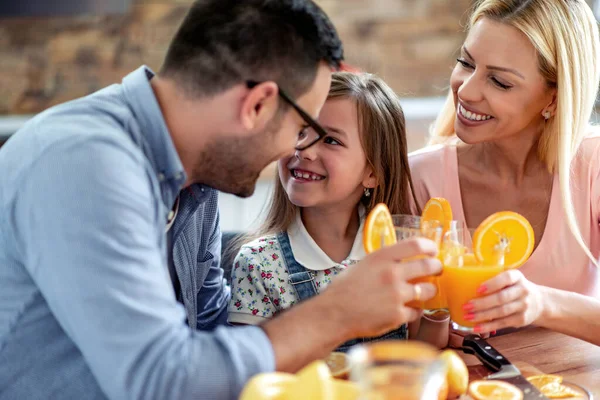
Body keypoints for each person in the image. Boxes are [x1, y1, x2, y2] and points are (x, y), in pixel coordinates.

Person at [0, 1, 442, 399]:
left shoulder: (195, 181)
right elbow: (162, 381)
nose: (296, 147)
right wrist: (338, 312)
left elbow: (209, 326)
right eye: (302, 127)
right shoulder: (86, 163)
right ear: (257, 106)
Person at [409, 0, 600, 346]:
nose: (465, 91)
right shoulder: (420, 178)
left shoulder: (594, 166)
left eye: (499, 82)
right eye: (466, 63)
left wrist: (542, 304)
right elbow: (405, 338)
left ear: (553, 100)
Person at [228, 71, 420, 349]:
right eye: (300, 131)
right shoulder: (258, 264)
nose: (304, 150)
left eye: (331, 140)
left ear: (372, 174)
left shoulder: (395, 250)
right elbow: (249, 372)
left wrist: (439, 308)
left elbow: (423, 350)